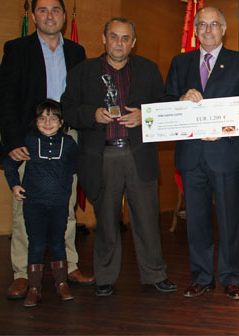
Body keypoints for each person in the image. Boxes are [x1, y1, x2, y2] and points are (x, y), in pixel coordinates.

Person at [61, 17, 176, 297]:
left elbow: (163, 107)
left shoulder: (148, 69)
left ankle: (155, 274)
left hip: (139, 155)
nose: (119, 43)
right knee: (107, 221)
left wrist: (145, 115)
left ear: (133, 43)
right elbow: (67, 108)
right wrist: (92, 114)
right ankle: (105, 277)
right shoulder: (83, 71)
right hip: (102, 156)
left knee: (147, 220)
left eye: (125, 38)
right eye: (114, 37)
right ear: (104, 39)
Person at [0, 0, 94, 300]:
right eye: (43, 11)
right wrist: (13, 141)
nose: (49, 16)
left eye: (55, 10)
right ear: (34, 17)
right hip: (29, 141)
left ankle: (69, 266)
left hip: (67, 140)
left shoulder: (77, 52)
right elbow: (6, 99)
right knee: (26, 208)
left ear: (64, 17)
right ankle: (23, 272)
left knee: (64, 205)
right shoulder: (17, 49)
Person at [164, 6, 239, 300]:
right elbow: (165, 103)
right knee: (197, 220)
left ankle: (231, 277)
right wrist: (180, 98)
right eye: (202, 25)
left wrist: (224, 128)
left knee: (229, 220)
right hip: (191, 155)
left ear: (224, 28)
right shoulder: (180, 62)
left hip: (225, 153)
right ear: (196, 30)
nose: (208, 30)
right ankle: (201, 277)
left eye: (214, 24)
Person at [3, 100, 78, 307]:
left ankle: (61, 283)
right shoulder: (28, 140)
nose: (47, 122)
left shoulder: (69, 143)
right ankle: (34, 288)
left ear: (61, 122)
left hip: (59, 203)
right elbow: (10, 164)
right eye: (42, 118)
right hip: (33, 203)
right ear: (35, 122)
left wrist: (62, 187)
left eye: (53, 118)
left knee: (57, 242)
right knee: (35, 244)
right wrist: (15, 185)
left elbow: (73, 167)